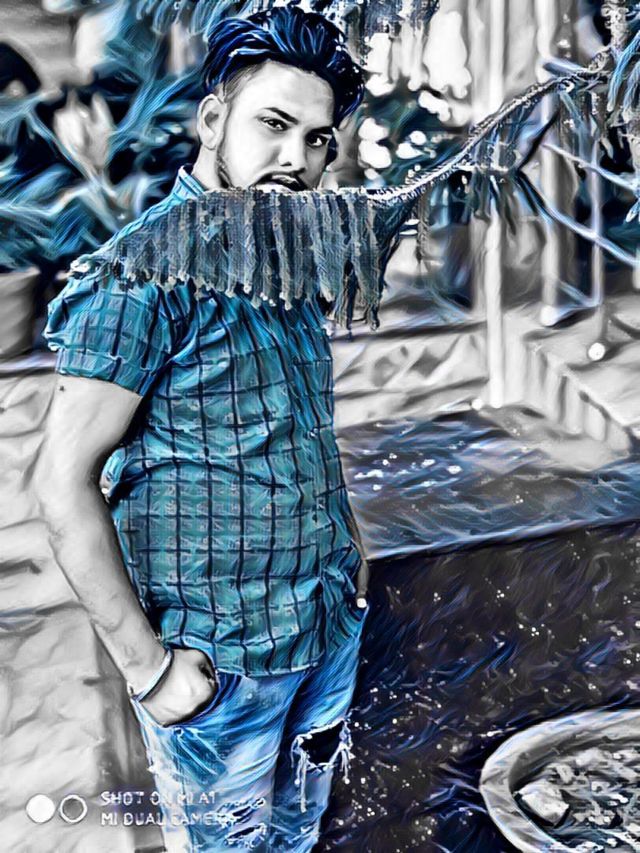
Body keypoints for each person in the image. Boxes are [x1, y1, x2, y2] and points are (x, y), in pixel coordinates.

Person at [35, 6, 372, 851]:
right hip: (220, 669)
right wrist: (151, 672)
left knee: (298, 838)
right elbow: (60, 482)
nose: (297, 158)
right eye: (274, 124)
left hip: (324, 632)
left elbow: (294, 432)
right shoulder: (140, 275)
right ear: (214, 119)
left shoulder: (286, 256)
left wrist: (349, 562)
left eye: (319, 139)